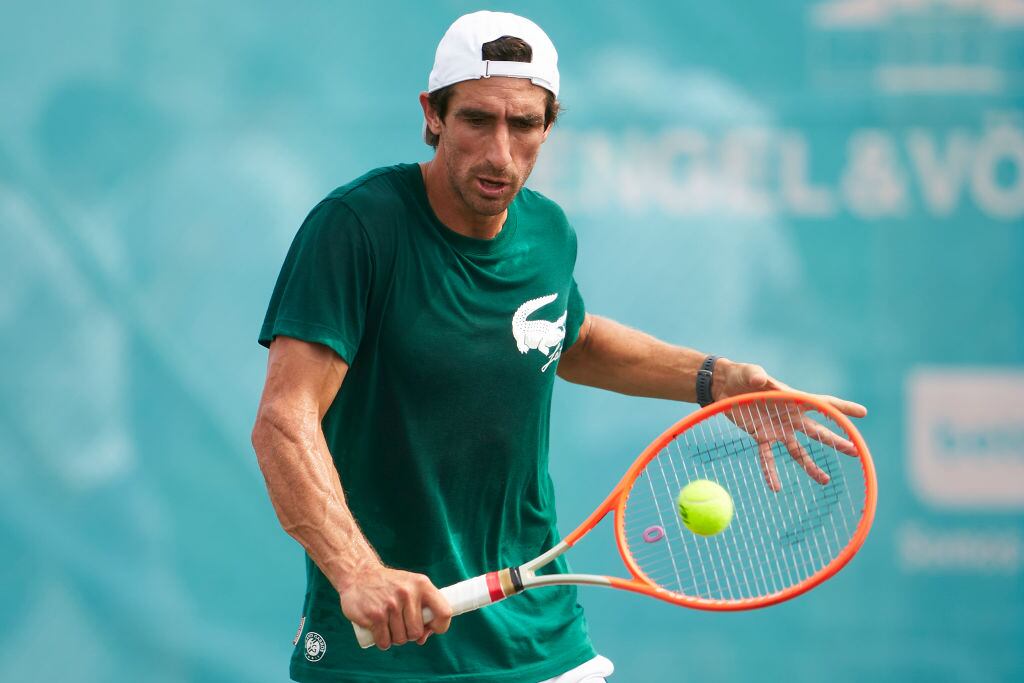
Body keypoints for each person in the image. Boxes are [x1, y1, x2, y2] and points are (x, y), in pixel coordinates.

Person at [251, 10, 867, 683]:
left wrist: (717, 379)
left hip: (543, 642)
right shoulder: (356, 228)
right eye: (477, 119)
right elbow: (284, 420)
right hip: (384, 649)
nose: (500, 152)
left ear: (548, 127)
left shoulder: (546, 231)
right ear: (432, 115)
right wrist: (358, 571)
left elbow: (571, 338)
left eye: (524, 124)